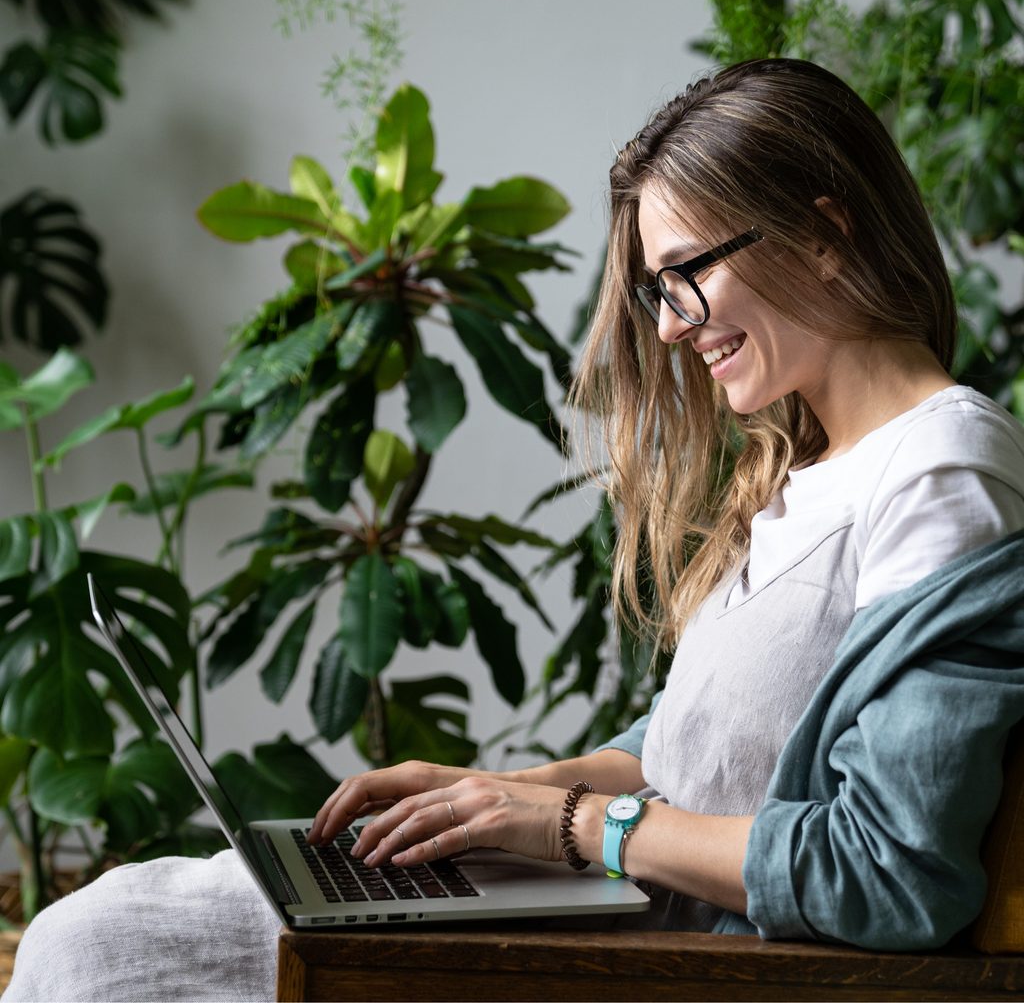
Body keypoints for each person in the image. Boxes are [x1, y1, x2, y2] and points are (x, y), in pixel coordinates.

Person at [6, 57, 1024, 1001]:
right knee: (111, 920)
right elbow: (697, 754)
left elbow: (888, 870)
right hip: (608, 907)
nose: (670, 325)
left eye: (687, 273)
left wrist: (571, 824)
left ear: (824, 234)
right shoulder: (814, 469)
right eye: (656, 290)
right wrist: (499, 794)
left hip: (655, 960)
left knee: (94, 946)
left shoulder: (942, 471)